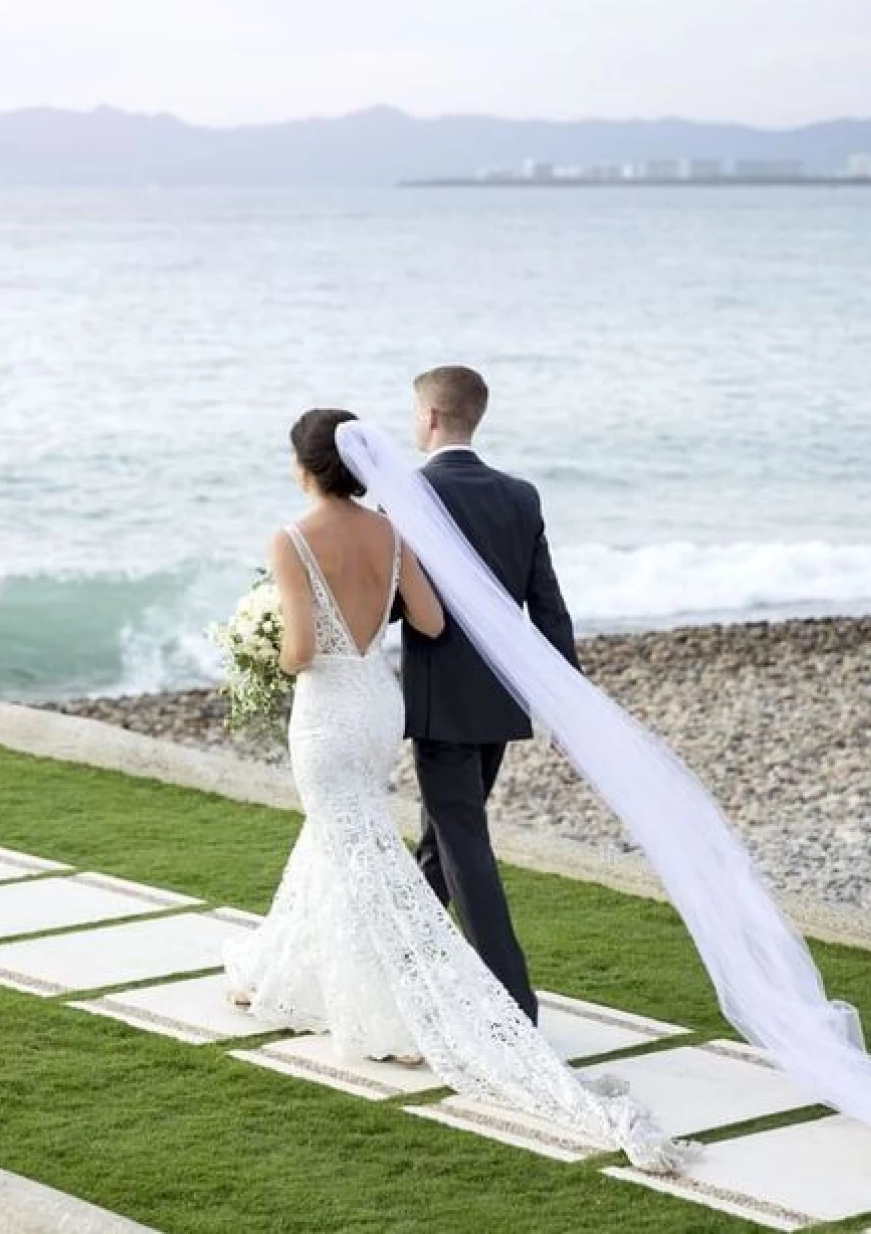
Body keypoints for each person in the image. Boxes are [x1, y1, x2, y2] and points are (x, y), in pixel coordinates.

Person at [222, 408, 687, 1174]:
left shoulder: (291, 536)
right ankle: (293, 967)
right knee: (347, 839)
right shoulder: (392, 529)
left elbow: (301, 648)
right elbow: (432, 621)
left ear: (305, 467)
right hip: (380, 707)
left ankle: (381, 1001)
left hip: (330, 711)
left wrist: (271, 648)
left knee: (351, 842)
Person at [400, 364, 578, 1020]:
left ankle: (511, 1004)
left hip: (440, 706)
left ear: (431, 418)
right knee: (440, 844)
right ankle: (403, 967)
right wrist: (567, 704)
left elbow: (399, 605)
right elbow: (549, 610)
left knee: (463, 843)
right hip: (503, 703)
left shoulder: (412, 494)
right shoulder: (520, 496)